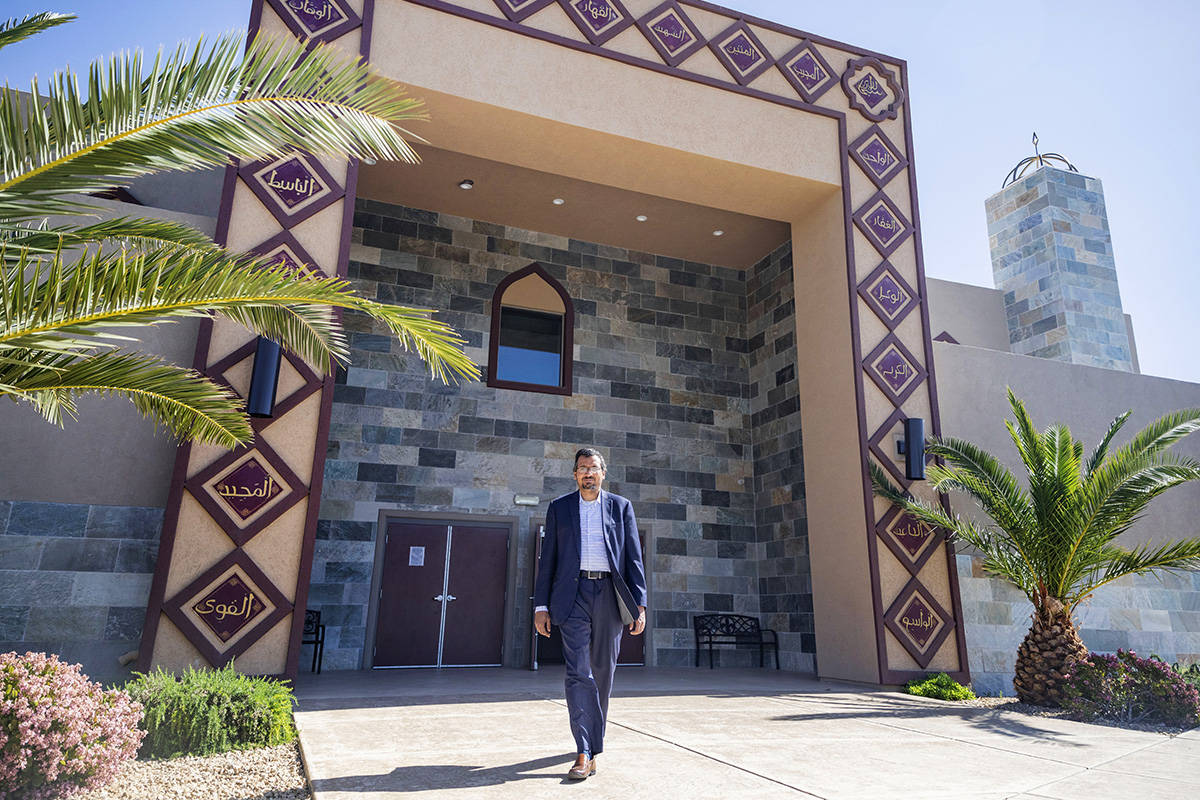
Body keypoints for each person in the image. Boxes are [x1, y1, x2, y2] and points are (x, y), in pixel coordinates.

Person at [533, 448, 647, 780]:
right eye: (581, 468)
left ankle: (593, 740)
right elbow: (548, 561)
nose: (587, 473)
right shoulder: (559, 508)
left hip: (610, 595)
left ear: (602, 473)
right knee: (579, 672)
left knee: (603, 672)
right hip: (573, 596)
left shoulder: (621, 507)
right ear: (574, 475)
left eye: (593, 468)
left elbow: (634, 559)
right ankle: (584, 750)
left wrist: (638, 604)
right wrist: (542, 606)